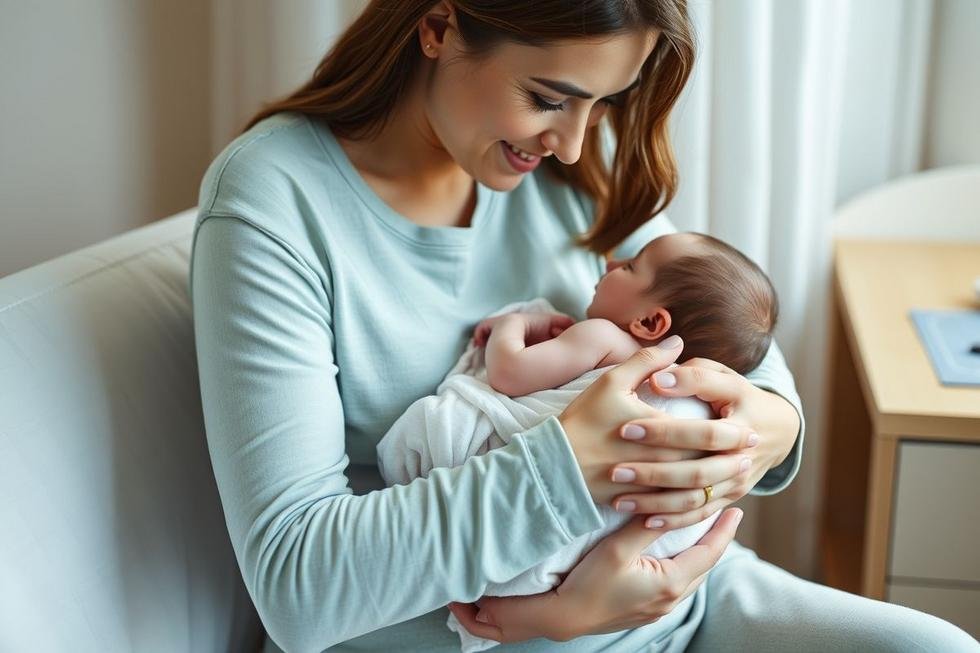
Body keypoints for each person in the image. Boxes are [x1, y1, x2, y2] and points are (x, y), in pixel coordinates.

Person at [189, 1, 979, 651]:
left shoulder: (557, 173)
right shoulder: (273, 200)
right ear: (438, 27)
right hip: (473, 634)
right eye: (551, 97)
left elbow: (730, 331)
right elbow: (298, 583)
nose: (573, 140)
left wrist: (766, 422)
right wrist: (569, 481)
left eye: (603, 103)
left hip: (681, 607)